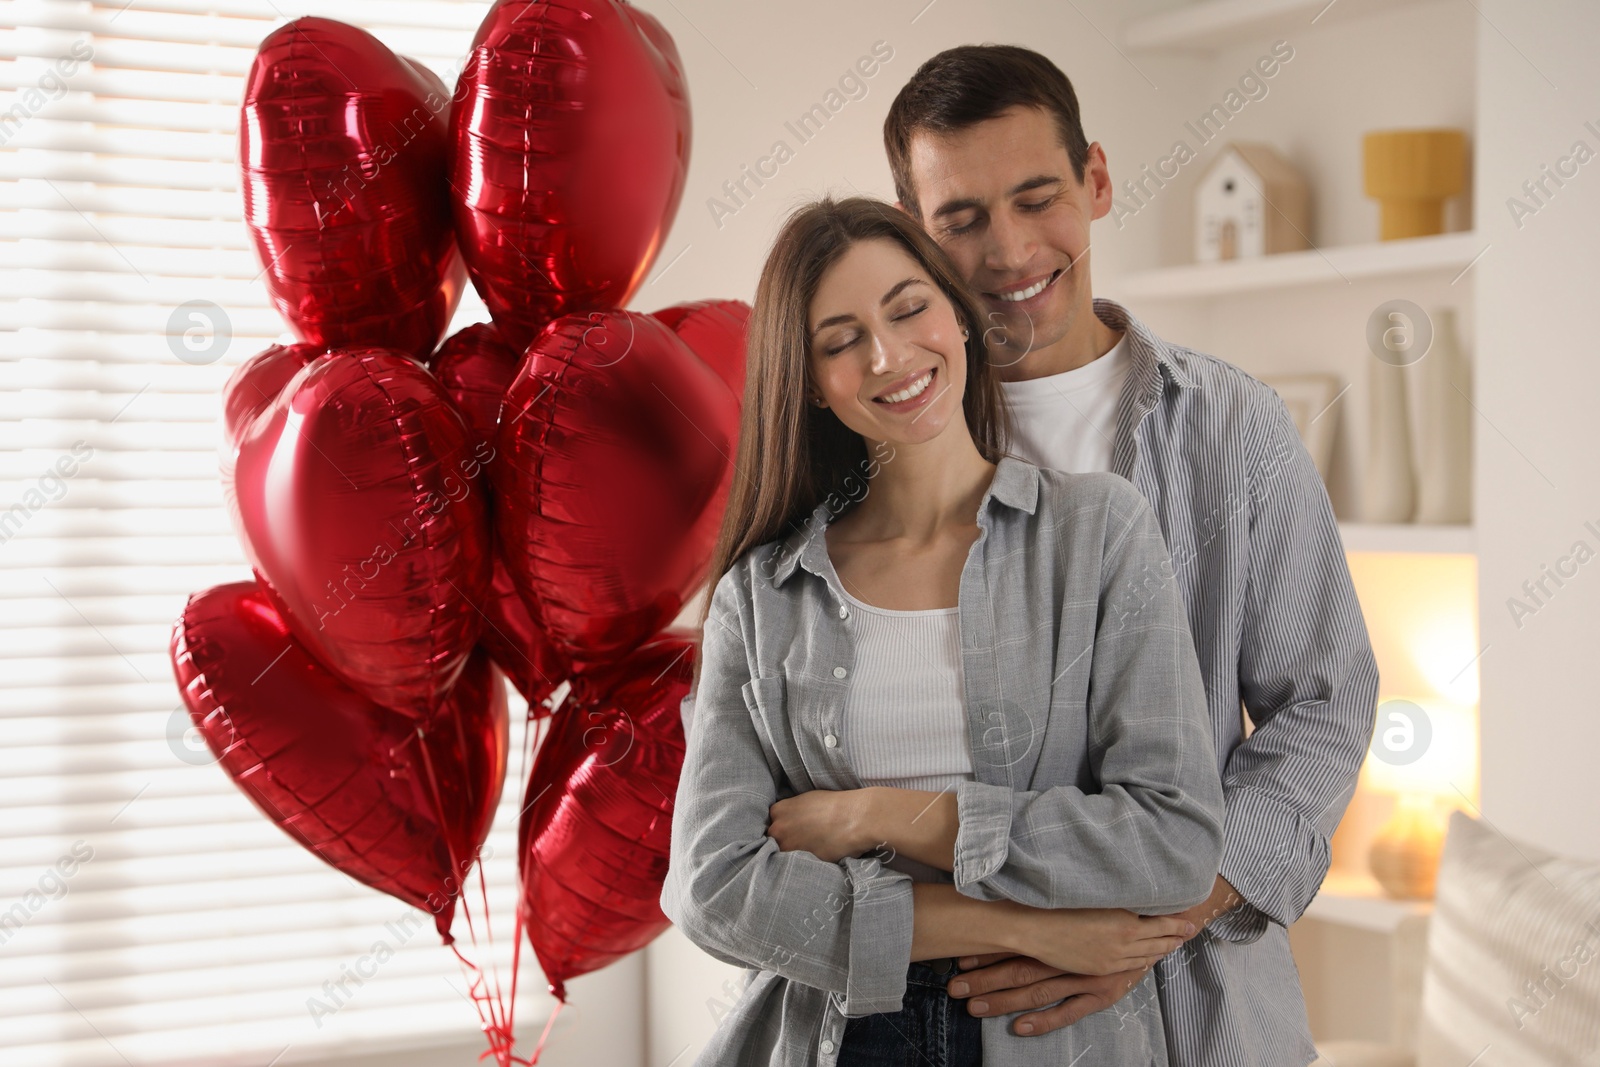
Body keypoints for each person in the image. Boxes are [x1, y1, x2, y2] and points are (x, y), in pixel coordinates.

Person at [880, 44, 1379, 1067]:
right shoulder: (870, 455)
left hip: (1201, 1015)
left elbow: (1326, 701)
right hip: (943, 1018)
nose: (1011, 250)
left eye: (1036, 197)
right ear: (912, 235)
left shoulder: (1230, 425)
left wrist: (1153, 915)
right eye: (961, 218)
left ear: (1096, 180)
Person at [661, 195, 1229, 1066]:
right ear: (811, 380)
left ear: (959, 318)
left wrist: (878, 815)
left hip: (1055, 1037)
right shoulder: (763, 594)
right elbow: (715, 889)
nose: (890, 355)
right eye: (841, 340)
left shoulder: (1098, 532)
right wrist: (1009, 922)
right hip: (845, 1036)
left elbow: (1171, 843)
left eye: (908, 307)